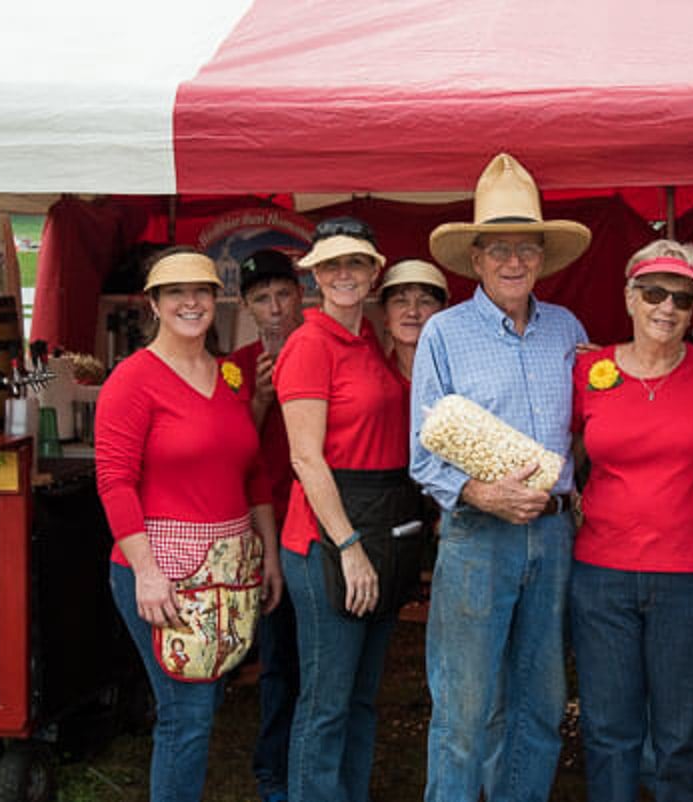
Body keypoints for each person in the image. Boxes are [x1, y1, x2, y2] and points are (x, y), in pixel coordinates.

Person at [410, 152, 591, 802]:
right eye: (499, 249)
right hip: (476, 537)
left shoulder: (567, 331)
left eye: (527, 249)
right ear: (477, 258)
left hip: (553, 537)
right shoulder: (444, 334)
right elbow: (423, 453)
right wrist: (483, 492)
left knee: (541, 705)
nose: (514, 262)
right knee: (465, 709)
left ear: (542, 257)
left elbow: (591, 427)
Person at [96, 248, 283, 802]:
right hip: (163, 572)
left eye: (201, 291)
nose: (191, 302)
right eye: (175, 292)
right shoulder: (133, 380)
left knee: (201, 705)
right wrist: (148, 573)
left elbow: (253, 472)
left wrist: (268, 554)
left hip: (228, 569)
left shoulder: (228, 377)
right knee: (186, 713)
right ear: (153, 304)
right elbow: (114, 482)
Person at [569, 240, 693, 801]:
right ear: (629, 297)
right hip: (601, 575)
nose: (667, 307)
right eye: (654, 292)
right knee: (609, 731)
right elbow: (556, 450)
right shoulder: (590, 368)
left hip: (690, 575)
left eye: (682, 299)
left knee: (682, 736)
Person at [273, 217, 420, 802]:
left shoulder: (367, 343)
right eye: (331, 264)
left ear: (374, 272)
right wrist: (349, 545)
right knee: (327, 703)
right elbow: (307, 459)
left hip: (379, 530)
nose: (343, 274)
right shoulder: (310, 345)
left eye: (355, 263)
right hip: (327, 541)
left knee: (360, 698)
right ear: (314, 275)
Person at [225, 248, 305, 802]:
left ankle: (313, 767)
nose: (275, 308)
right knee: (278, 658)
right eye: (262, 299)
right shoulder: (238, 364)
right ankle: (275, 772)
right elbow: (232, 454)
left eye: (282, 295)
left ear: (301, 295)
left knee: (323, 664)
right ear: (248, 306)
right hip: (269, 524)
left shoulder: (325, 345)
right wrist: (257, 399)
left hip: (322, 522)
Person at [379, 258, 449, 382]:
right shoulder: (375, 379)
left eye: (425, 302)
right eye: (401, 301)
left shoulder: (460, 374)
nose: (412, 312)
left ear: (443, 311)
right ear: (384, 314)